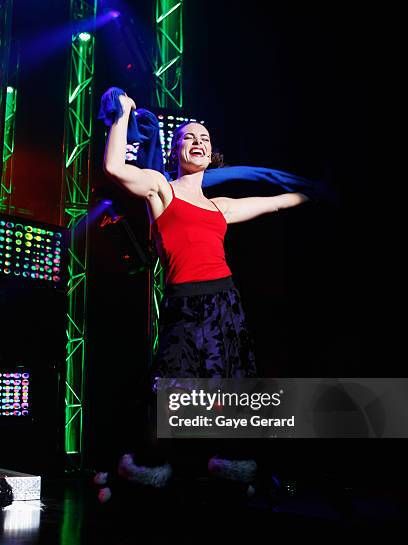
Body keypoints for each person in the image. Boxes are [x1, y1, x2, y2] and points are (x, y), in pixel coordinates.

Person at [96, 93, 309, 499]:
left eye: (205, 138)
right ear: (175, 149)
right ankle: (138, 475)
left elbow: (278, 202)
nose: (198, 141)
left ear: (212, 154)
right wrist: (121, 115)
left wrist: (314, 192)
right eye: (189, 137)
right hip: (184, 305)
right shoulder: (161, 188)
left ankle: (235, 475)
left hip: (226, 304)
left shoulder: (220, 206)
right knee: (168, 395)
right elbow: (113, 167)